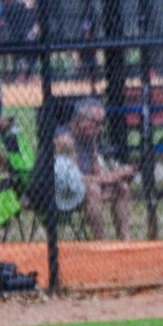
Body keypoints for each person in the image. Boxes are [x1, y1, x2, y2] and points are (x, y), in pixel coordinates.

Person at [53, 99, 135, 240]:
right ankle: (101, 241)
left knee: (122, 188)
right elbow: (75, 178)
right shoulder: (65, 140)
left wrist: (119, 175)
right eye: (96, 123)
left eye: (102, 123)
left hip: (88, 186)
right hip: (65, 191)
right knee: (93, 189)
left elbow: (98, 171)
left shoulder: (90, 138)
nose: (100, 128)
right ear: (81, 119)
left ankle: (124, 240)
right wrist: (110, 177)